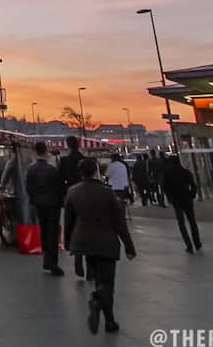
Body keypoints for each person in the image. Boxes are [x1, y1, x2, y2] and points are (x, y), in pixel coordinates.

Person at [64, 157, 136, 334]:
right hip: (107, 242)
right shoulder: (107, 192)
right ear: (96, 171)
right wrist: (129, 246)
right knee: (108, 282)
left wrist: (68, 242)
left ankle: (101, 302)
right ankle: (107, 315)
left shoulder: (72, 192)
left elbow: (69, 221)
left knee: (97, 277)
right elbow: (119, 222)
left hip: (84, 242)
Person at [25, 141, 65, 276]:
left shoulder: (31, 169)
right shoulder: (52, 170)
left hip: (38, 203)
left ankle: (46, 257)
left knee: (43, 230)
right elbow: (59, 188)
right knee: (52, 232)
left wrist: (33, 199)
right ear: (46, 151)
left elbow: (28, 187)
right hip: (52, 204)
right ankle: (52, 262)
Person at [57, 136, 87, 277]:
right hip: (87, 195)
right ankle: (91, 265)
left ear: (68, 145)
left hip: (71, 196)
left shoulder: (65, 161)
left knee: (73, 227)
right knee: (88, 227)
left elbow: (60, 179)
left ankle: (77, 258)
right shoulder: (85, 160)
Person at [162, 155, 202, 253]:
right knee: (192, 222)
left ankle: (189, 246)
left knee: (182, 224)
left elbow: (164, 187)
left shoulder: (167, 174)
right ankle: (197, 243)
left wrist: (170, 198)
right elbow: (193, 186)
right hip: (187, 199)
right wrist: (191, 195)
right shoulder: (185, 172)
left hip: (177, 201)